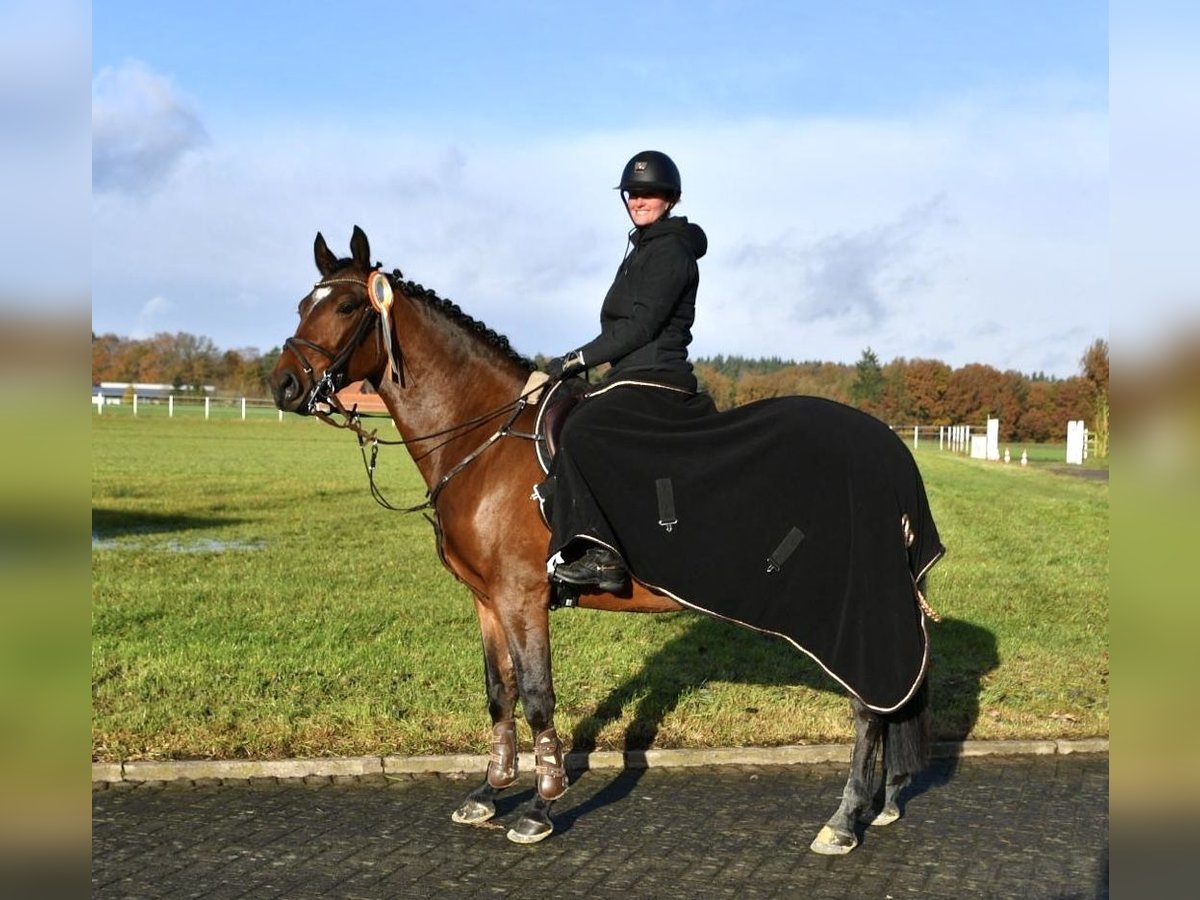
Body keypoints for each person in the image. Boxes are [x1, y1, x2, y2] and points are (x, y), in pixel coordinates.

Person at [537, 150, 716, 592]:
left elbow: (641, 327)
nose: (639, 200)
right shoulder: (642, 249)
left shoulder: (671, 251)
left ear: (670, 197)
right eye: (633, 193)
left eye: (649, 193)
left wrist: (574, 361)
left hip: (657, 378)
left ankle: (602, 558)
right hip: (630, 374)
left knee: (582, 430)